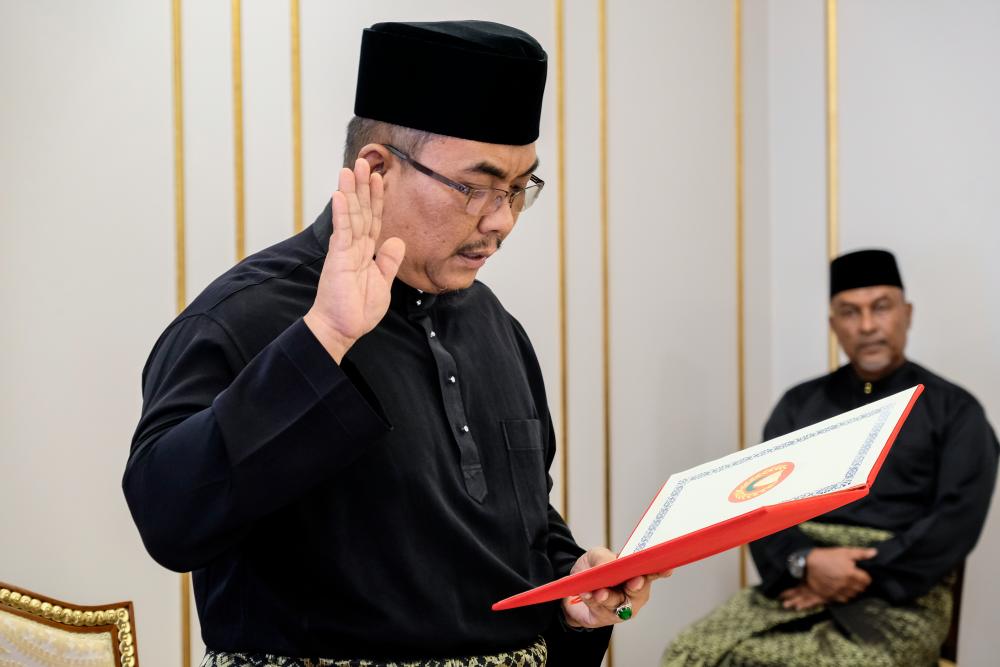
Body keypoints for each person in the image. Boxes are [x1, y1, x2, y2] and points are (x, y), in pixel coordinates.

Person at [123, 20, 665, 667]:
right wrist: (325, 338)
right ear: (377, 167)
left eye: (519, 189)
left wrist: (575, 592)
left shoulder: (496, 326)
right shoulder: (241, 317)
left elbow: (523, 533)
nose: (502, 220)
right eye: (476, 187)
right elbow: (168, 516)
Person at [662, 249, 998, 667]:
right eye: (850, 312)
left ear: (907, 314)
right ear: (833, 325)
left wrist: (861, 573)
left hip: (902, 597)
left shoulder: (955, 410)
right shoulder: (798, 406)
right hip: (798, 581)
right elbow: (758, 506)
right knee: (689, 653)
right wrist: (807, 562)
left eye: (881, 307)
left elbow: (956, 521)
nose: (868, 325)